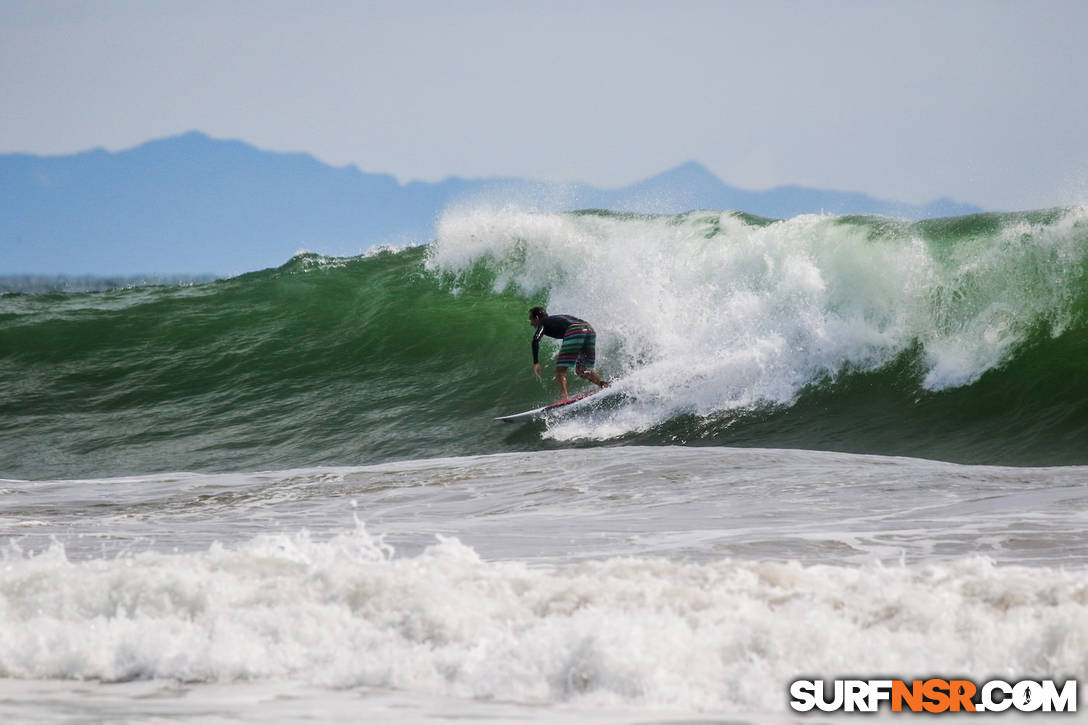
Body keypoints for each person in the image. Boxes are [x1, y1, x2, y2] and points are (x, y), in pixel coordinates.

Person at [529, 306, 610, 402]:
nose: (531, 323)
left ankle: (565, 397)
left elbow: (535, 339)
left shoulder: (543, 322)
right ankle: (603, 384)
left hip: (575, 330)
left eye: (531, 319)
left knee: (560, 371)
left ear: (537, 318)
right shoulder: (556, 318)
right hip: (589, 329)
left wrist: (536, 362)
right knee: (581, 370)